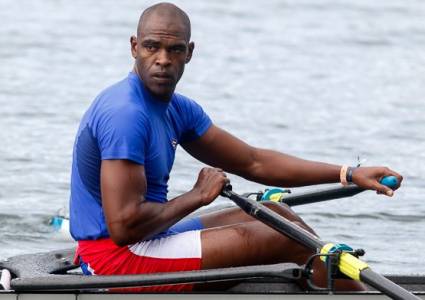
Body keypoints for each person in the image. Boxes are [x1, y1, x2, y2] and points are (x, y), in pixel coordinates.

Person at [69, 2, 402, 292]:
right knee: (288, 239)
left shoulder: (178, 109)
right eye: (151, 47)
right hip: (112, 261)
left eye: (175, 50)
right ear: (133, 46)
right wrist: (197, 197)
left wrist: (349, 173)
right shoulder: (125, 114)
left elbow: (253, 162)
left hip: (147, 241)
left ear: (190, 52)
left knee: (277, 215)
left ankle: (323, 283)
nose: (162, 60)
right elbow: (124, 227)